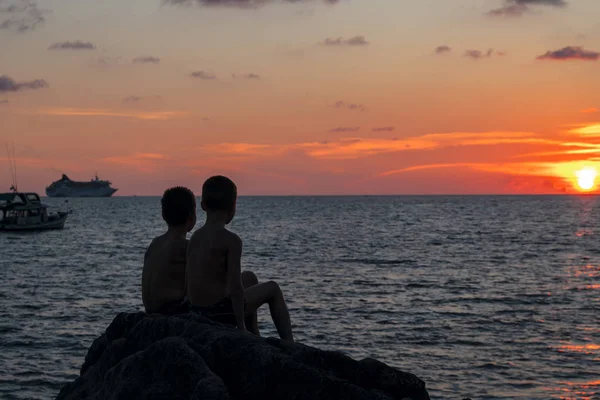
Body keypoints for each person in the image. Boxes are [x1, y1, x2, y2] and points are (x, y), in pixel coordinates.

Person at [186, 175, 294, 341]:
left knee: (250, 277)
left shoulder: (195, 237)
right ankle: (289, 343)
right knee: (273, 288)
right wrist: (240, 326)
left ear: (203, 206)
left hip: (197, 310)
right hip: (218, 313)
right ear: (233, 208)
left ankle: (254, 335)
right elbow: (236, 287)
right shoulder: (231, 240)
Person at [142, 186, 196, 315]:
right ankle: (250, 333)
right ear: (192, 216)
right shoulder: (186, 246)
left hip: (151, 311)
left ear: (163, 215)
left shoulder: (155, 243)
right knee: (248, 280)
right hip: (171, 313)